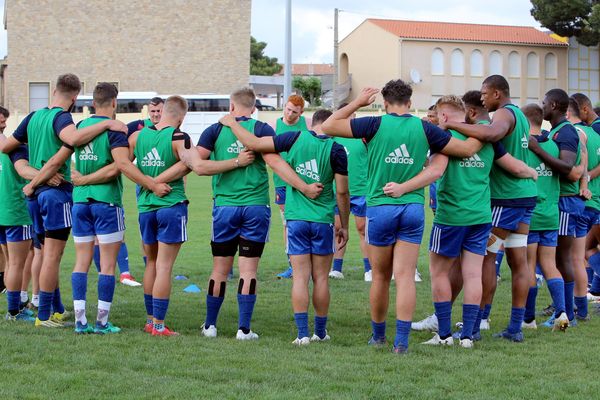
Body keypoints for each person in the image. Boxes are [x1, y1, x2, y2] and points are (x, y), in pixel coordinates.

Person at [322, 80, 489, 354]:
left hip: (380, 207)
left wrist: (357, 104)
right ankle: (401, 342)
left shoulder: (373, 124)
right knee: (405, 277)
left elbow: (328, 125)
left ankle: (378, 337)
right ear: (410, 103)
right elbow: (467, 149)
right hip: (412, 208)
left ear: (385, 103)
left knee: (379, 277)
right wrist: (484, 129)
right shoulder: (425, 128)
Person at [184, 87, 322, 340]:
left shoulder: (215, 130)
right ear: (255, 108)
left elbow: (198, 165)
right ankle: (243, 329)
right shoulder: (261, 130)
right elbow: (276, 163)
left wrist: (226, 162)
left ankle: (210, 326)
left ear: (231, 105)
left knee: (219, 270)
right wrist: (303, 186)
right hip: (256, 208)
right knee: (249, 272)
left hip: (225, 207)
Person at [0, 73, 128, 328]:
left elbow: (7, 147)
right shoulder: (62, 118)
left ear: (54, 90)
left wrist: (35, 178)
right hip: (55, 195)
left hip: (35, 197)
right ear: (75, 97)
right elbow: (73, 139)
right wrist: (106, 124)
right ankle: (44, 315)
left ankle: (48, 308)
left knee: (40, 253)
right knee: (51, 256)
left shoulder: (34, 116)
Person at [220, 108, 350, 345]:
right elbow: (342, 191)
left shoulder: (295, 137)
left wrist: (232, 124)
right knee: (321, 278)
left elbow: (255, 143)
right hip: (323, 220)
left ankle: (302, 335)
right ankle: (320, 332)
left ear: (312, 123)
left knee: (300, 277)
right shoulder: (337, 149)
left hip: (296, 219)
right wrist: (345, 224)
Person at [423, 95, 537, 348]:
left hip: (451, 217)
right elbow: (514, 167)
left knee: (439, 272)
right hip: (481, 217)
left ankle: (443, 335)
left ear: (443, 116)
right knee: (473, 274)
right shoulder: (486, 141)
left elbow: (433, 170)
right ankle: (467, 336)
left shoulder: (443, 138)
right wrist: (531, 172)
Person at [69, 83, 132, 334]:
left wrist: (81, 179)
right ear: (114, 103)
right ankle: (102, 322)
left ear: (92, 103)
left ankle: (80, 321)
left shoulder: (78, 128)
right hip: (106, 202)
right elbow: (119, 166)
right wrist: (87, 179)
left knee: (80, 263)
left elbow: (65, 157)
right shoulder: (115, 129)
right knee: (107, 266)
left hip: (80, 202)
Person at [528, 89, 584, 327]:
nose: (542, 107)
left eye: (544, 103)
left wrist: (538, 150)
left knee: (562, 259)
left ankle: (567, 312)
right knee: (555, 260)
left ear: (553, 104)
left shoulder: (567, 132)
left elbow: (568, 167)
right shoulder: (556, 132)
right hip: (557, 201)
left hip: (564, 202)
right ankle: (564, 310)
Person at [521, 103, 570, 331]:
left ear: (523, 120)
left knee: (530, 266)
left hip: (531, 215)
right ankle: (561, 312)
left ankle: (528, 319)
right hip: (551, 214)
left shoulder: (523, 147)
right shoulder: (553, 145)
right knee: (550, 264)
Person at [328, 103, 371, 281]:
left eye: (353, 114)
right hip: (339, 190)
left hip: (361, 190)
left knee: (363, 229)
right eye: (348, 114)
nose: (351, 117)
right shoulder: (333, 137)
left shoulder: (363, 136)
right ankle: (337, 269)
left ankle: (369, 269)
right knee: (338, 228)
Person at [0, 105, 35, 322]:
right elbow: (24, 172)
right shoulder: (15, 148)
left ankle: (17, 307)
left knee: (10, 261)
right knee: (16, 263)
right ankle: (14, 311)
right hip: (16, 211)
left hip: (2, 212)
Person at [274, 95, 312, 279]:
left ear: (301, 112)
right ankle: (292, 264)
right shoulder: (275, 126)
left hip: (306, 181)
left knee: (307, 220)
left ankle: (313, 262)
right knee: (288, 223)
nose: (289, 114)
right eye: (287, 109)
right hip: (282, 182)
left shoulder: (307, 124)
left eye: (294, 112)